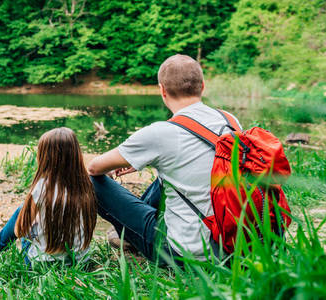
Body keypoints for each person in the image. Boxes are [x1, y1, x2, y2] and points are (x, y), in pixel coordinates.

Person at [87, 54, 241, 265]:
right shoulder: (230, 121)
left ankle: (130, 236)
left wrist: (138, 156)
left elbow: (94, 168)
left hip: (183, 253)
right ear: (202, 86)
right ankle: (131, 237)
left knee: (91, 182)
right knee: (170, 176)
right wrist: (145, 159)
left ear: (162, 90)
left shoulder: (161, 132)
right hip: (233, 243)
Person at [0, 127, 97, 265]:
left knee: (22, 212)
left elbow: (19, 230)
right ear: (76, 154)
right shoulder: (87, 185)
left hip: (42, 264)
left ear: (45, 158)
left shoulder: (41, 188)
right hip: (79, 261)